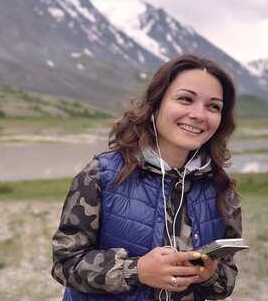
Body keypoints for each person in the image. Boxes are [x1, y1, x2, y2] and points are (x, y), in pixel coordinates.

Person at [51, 54, 242, 301]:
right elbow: (65, 263)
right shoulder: (101, 174)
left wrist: (207, 276)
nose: (199, 114)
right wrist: (136, 271)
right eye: (185, 99)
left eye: (213, 106)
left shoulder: (222, 191)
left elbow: (225, 283)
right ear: (156, 103)